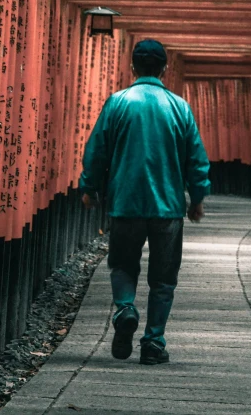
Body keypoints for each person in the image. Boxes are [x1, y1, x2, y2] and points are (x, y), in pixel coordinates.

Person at [79, 38, 211, 365]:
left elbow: (97, 150)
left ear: (132, 68)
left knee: (123, 264)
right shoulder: (179, 107)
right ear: (165, 68)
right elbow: (196, 159)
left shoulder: (117, 102)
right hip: (167, 206)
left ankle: (125, 308)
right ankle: (153, 342)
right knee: (163, 278)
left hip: (125, 203)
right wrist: (196, 197)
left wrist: (89, 186)